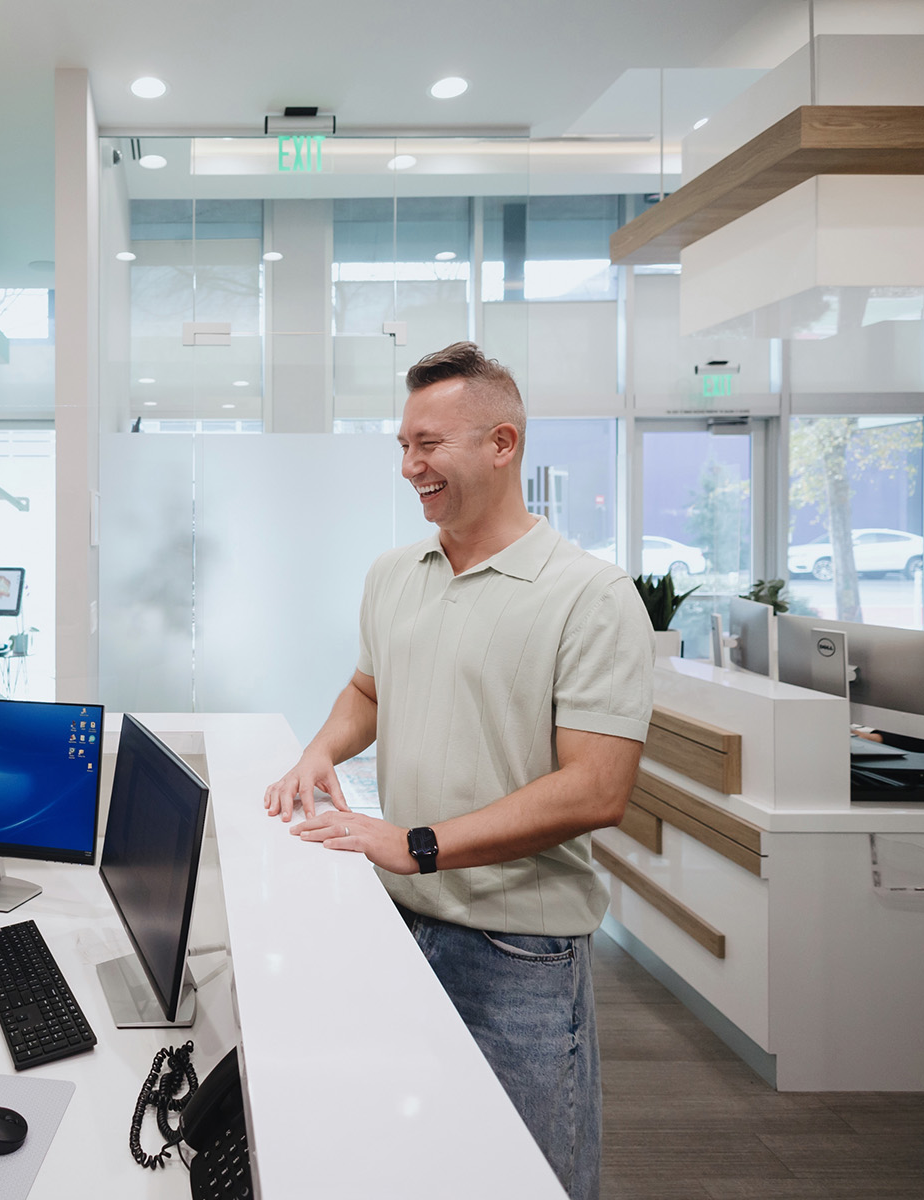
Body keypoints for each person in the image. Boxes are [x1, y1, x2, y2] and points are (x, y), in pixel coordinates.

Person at [263, 343, 652, 1200]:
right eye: (403, 445)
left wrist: (420, 842)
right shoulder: (394, 574)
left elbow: (596, 789)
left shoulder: (590, 596)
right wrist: (318, 751)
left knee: (525, 1179)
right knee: (412, 1165)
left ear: (502, 443)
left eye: (428, 444)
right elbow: (369, 688)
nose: (409, 467)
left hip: (517, 949)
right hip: (397, 922)